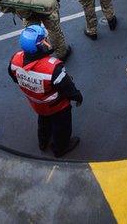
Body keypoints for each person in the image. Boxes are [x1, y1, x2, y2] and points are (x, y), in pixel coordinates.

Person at [9, 25, 82, 157]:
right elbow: (68, 88)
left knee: (43, 121)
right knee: (62, 127)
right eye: (44, 40)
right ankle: (60, 148)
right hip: (58, 106)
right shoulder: (53, 67)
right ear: (39, 45)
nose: (47, 41)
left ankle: (43, 142)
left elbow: (14, 77)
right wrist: (78, 97)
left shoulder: (15, 59)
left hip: (37, 105)